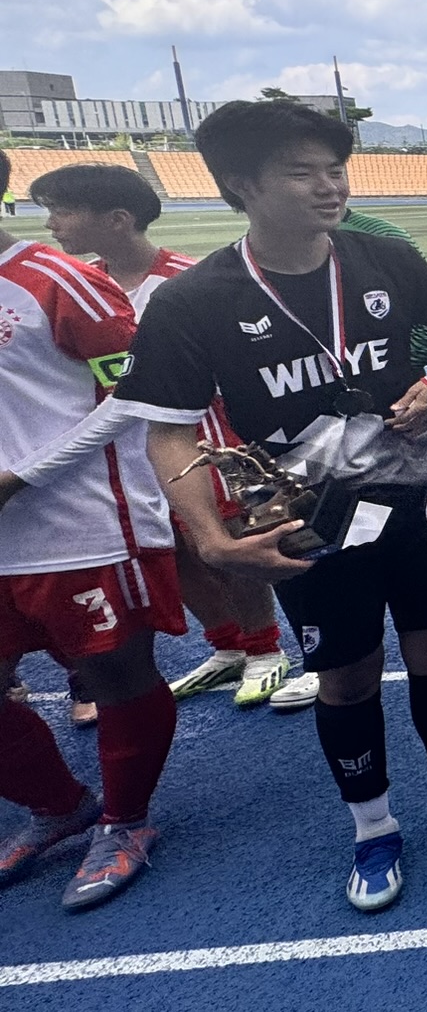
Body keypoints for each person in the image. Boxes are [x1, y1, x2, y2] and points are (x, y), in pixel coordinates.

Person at [117, 102, 427, 913]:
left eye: (335, 169)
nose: (330, 186)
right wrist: (211, 541)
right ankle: (373, 829)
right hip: (306, 520)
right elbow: (168, 434)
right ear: (241, 185)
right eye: (302, 172)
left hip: (419, 499)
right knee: (345, 675)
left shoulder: (383, 258)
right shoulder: (193, 300)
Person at [32, 163, 299, 712]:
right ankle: (227, 644)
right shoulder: (78, 285)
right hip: (120, 450)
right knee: (171, 548)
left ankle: (264, 648)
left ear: (117, 219)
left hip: (201, 437)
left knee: (227, 538)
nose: (52, 223)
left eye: (63, 210)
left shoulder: (189, 280)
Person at [0, 151, 183, 911]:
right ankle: (58, 804)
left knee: (116, 677)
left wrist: (20, 477)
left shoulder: (56, 279)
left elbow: (134, 393)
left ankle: (125, 819)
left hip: (80, 525)